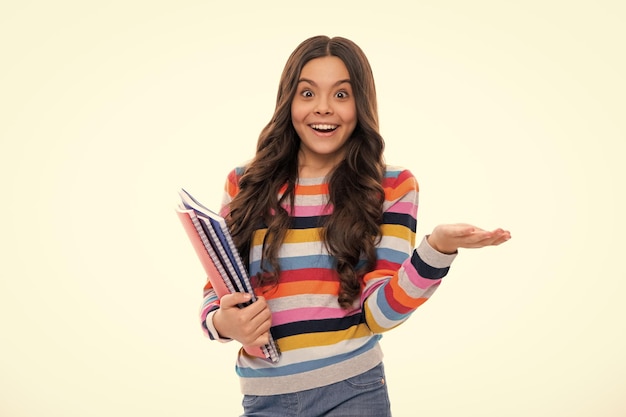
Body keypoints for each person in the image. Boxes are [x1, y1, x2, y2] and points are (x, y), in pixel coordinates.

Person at [200, 35, 511, 416]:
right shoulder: (244, 183)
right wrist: (223, 321)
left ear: (360, 103)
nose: (324, 109)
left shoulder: (391, 186)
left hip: (352, 392)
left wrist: (437, 249)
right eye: (308, 93)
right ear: (288, 102)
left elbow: (380, 314)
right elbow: (217, 290)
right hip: (264, 398)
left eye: (342, 95)